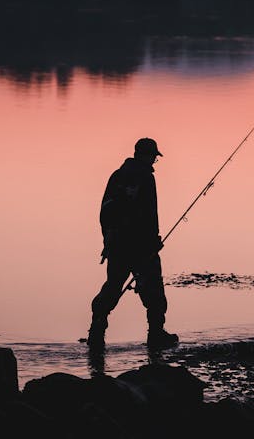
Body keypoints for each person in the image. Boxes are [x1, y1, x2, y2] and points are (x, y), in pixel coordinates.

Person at [88, 137, 179, 351]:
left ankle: (96, 331)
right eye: (154, 158)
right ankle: (156, 335)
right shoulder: (146, 179)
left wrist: (108, 239)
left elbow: (104, 212)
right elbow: (149, 214)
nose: (154, 162)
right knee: (154, 291)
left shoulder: (117, 176)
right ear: (146, 156)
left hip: (117, 245)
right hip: (142, 247)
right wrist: (154, 241)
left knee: (112, 286)